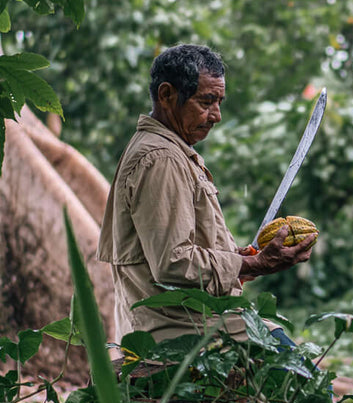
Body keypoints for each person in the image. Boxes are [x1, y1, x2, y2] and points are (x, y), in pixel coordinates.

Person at [97, 44, 315, 343]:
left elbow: (177, 253)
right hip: (177, 330)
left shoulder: (168, 150)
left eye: (219, 102)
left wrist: (239, 262)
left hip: (196, 319)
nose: (217, 116)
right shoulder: (161, 158)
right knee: (294, 368)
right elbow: (173, 262)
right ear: (166, 95)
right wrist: (255, 264)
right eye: (207, 102)